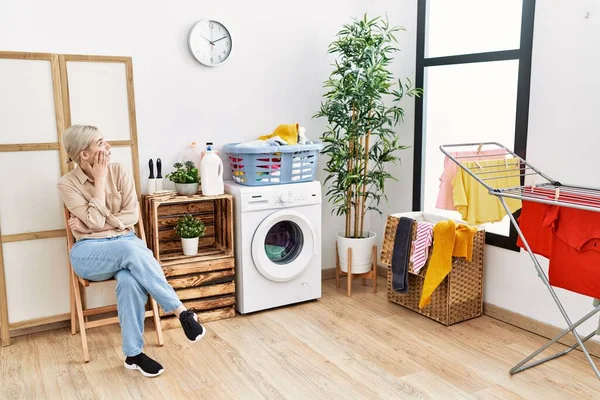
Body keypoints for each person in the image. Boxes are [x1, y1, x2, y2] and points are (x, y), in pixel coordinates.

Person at [57, 125, 205, 378]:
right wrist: (101, 181)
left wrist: (96, 223)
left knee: (129, 277)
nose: (108, 147)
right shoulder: (67, 184)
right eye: (101, 143)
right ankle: (181, 311)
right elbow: (98, 222)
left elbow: (131, 216)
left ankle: (133, 355)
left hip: (126, 244)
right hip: (89, 253)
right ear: (84, 154)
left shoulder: (121, 171)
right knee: (129, 247)